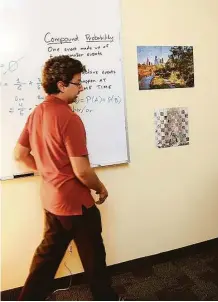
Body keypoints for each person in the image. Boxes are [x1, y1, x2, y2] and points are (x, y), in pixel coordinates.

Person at [14, 55, 120, 300]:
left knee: (47, 258)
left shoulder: (37, 113)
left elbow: (20, 153)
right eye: (77, 82)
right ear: (61, 85)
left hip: (52, 200)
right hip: (75, 203)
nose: (81, 88)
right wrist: (101, 188)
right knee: (94, 255)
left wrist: (48, 170)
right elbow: (81, 170)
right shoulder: (70, 118)